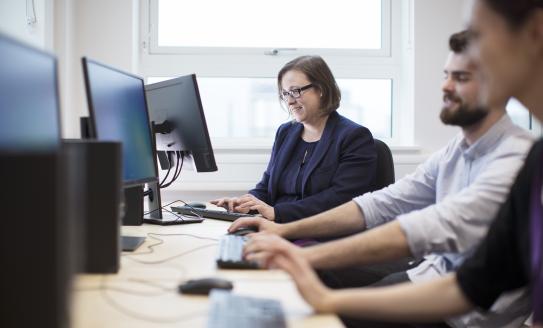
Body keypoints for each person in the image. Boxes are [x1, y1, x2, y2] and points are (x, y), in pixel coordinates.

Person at [239, 0, 543, 327]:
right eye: (446, 75)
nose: (444, 86)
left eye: (480, 35)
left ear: (534, 33)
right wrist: (287, 235)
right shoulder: (461, 152)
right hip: (436, 281)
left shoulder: (521, 158)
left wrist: (304, 253)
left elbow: (432, 228)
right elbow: (384, 204)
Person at [212, 55, 377, 222]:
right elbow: (267, 187)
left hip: (320, 232)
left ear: (321, 89)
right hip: (275, 225)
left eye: (296, 91)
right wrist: (244, 202)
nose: (290, 101)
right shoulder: (285, 133)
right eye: (285, 93)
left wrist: (277, 212)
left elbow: (340, 199)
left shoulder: (354, 137)